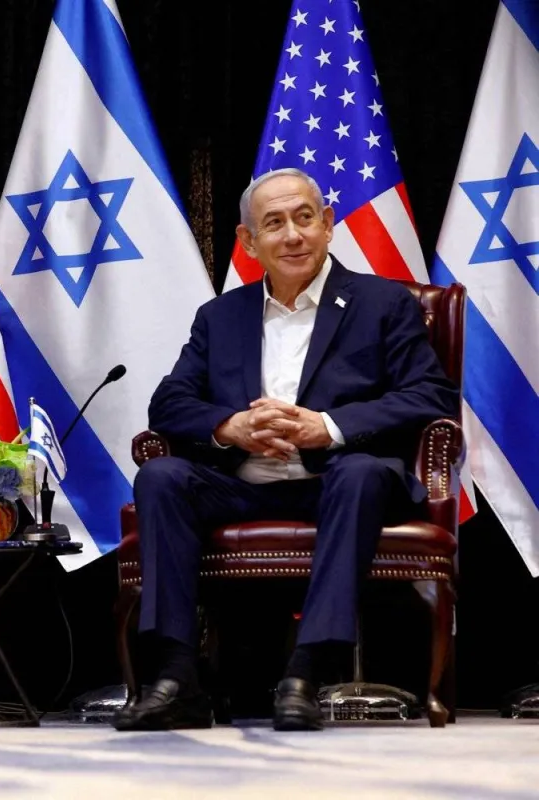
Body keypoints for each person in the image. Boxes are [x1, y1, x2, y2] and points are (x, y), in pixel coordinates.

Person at [114, 168, 459, 732]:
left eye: (304, 218)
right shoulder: (220, 316)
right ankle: (176, 678)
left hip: (338, 483)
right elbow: (169, 403)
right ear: (249, 242)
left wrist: (328, 426)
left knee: (362, 473)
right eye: (273, 223)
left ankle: (305, 674)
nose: (293, 235)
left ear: (328, 224)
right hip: (242, 485)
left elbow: (429, 394)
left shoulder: (383, 303)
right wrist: (232, 426)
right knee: (162, 477)